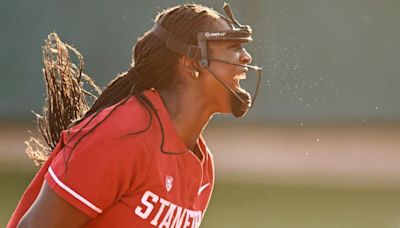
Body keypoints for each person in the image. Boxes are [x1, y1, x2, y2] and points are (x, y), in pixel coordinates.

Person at [8, 3, 262, 228]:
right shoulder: (123, 135)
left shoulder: (202, 166)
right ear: (191, 62)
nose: (246, 56)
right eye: (232, 46)